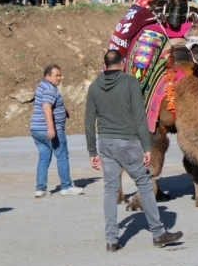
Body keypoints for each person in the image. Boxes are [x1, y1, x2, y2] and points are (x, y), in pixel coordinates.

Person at [85, 50, 183, 251]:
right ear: (122, 64)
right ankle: (158, 233)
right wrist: (147, 147)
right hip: (128, 142)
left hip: (105, 142)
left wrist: (92, 151)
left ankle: (112, 240)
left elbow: (88, 122)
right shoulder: (130, 83)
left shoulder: (94, 87)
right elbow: (140, 118)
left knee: (110, 190)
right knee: (145, 184)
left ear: (104, 66)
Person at [30, 64, 82, 198]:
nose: (60, 78)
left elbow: (49, 103)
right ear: (48, 76)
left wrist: (63, 110)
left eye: (60, 75)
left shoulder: (42, 86)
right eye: (57, 75)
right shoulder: (50, 89)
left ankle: (40, 188)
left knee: (44, 157)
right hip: (49, 129)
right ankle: (67, 186)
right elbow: (47, 107)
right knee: (62, 155)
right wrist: (51, 127)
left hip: (36, 129)